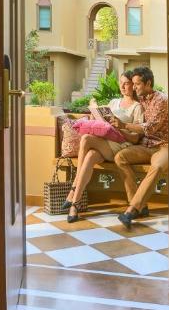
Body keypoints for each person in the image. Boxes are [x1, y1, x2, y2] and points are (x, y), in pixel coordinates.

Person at [61, 70, 144, 223]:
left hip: (120, 145)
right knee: (90, 156)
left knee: (86, 139)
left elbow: (135, 138)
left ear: (133, 85)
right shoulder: (113, 102)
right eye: (121, 83)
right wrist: (94, 111)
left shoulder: (137, 107)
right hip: (104, 142)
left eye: (126, 83)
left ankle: (73, 188)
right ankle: (75, 205)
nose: (122, 86)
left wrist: (119, 127)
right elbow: (100, 124)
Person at [113, 66, 168, 229]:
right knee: (120, 157)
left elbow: (150, 128)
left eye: (137, 84)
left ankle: (132, 210)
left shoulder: (162, 100)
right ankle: (140, 206)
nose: (134, 87)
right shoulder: (141, 99)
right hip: (146, 146)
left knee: (157, 167)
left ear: (148, 83)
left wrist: (124, 125)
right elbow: (126, 99)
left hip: (164, 146)